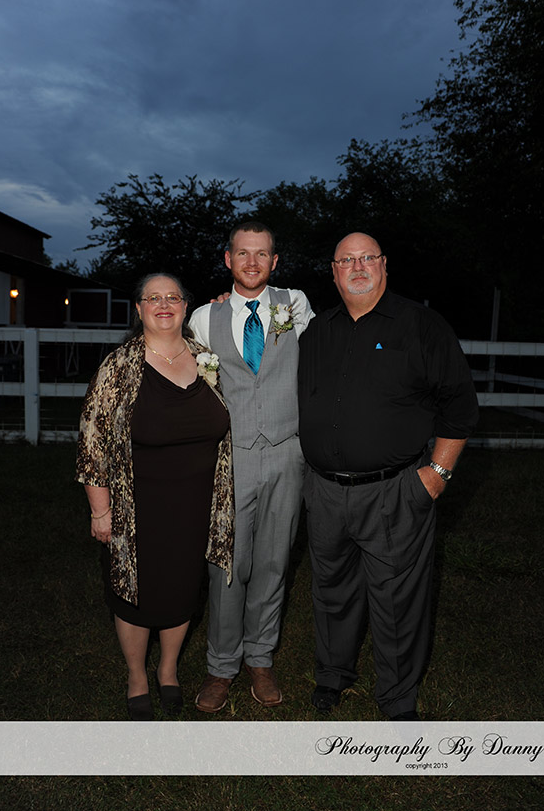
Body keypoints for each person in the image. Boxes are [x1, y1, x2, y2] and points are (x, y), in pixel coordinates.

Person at [298, 232, 479, 720]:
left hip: (394, 490)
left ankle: (397, 698)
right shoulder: (317, 331)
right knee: (331, 590)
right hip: (324, 491)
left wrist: (436, 474)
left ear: (384, 265)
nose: (357, 267)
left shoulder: (421, 325)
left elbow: (460, 407)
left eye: (367, 258)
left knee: (397, 598)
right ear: (333, 271)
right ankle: (332, 675)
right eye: (346, 260)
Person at [76, 273, 234, 720]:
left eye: (172, 297)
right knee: (134, 593)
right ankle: (136, 676)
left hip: (196, 503)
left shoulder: (205, 358)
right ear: (139, 309)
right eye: (153, 298)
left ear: (185, 306)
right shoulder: (119, 366)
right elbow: (92, 443)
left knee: (182, 589)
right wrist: (100, 510)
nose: (163, 305)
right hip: (137, 506)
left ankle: (167, 670)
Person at [189, 220, 314, 711]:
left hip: (286, 450)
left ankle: (260, 658)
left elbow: (323, 353)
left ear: (275, 261)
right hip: (231, 455)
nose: (252, 262)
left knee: (274, 561)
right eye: (243, 253)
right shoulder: (205, 317)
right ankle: (222, 666)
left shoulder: (294, 304)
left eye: (262, 253)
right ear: (228, 259)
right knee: (227, 564)